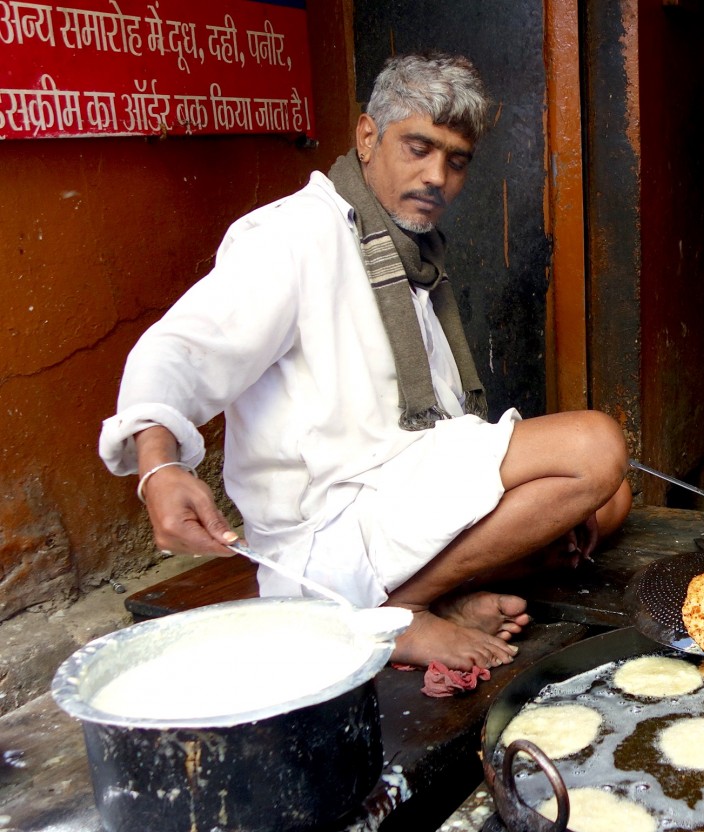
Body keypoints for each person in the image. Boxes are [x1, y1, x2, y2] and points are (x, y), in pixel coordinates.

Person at [98, 52, 631, 673]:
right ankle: (390, 614)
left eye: (455, 161)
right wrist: (158, 468)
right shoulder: (292, 236)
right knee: (595, 448)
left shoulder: (408, 249)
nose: (437, 176)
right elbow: (176, 352)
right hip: (331, 525)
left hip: (402, 490)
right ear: (367, 136)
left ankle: (440, 596)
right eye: (418, 148)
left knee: (607, 502)